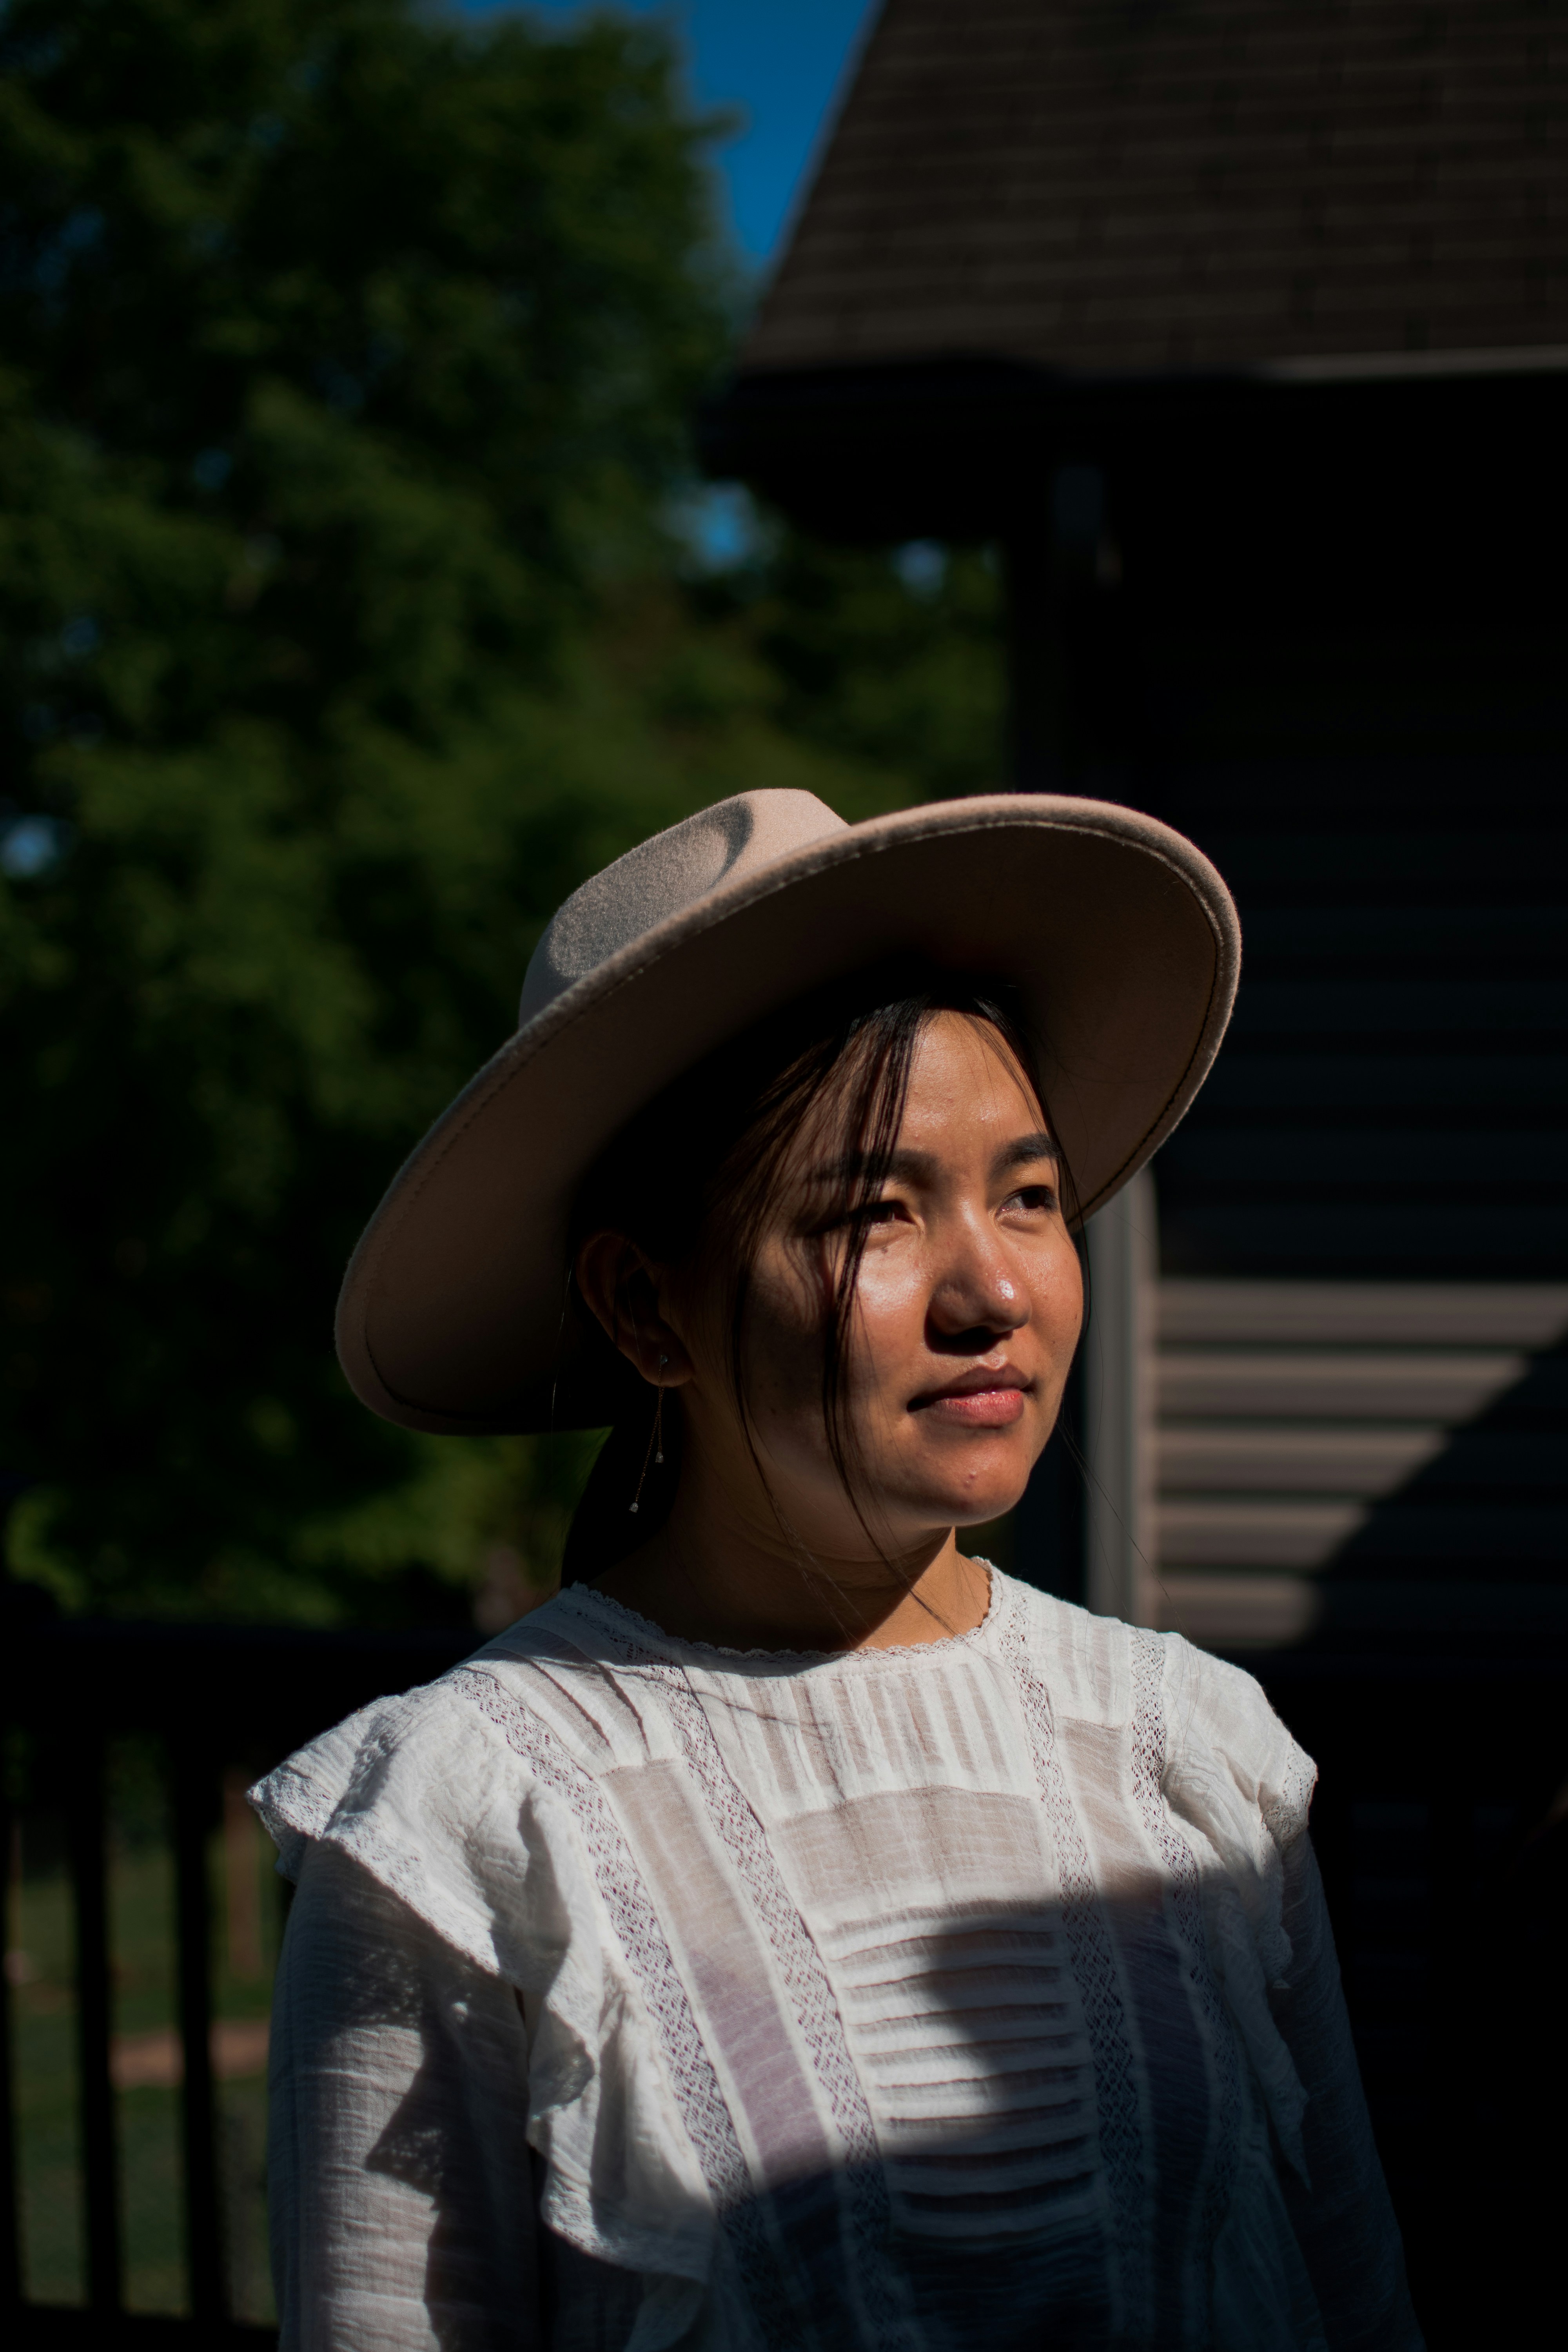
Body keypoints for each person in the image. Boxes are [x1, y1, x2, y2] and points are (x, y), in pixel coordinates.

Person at [254, 788, 1422, 2351]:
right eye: (871, 1211)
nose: (994, 1288)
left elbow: (1351, 2298)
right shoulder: (460, 1827)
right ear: (644, 1308)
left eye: (1025, 1195)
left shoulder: (1188, 1754)